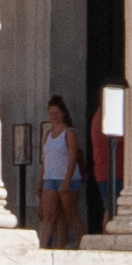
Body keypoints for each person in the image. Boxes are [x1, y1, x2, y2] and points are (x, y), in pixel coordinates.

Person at [36, 96, 83, 249]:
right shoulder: (47, 135)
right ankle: (43, 247)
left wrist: (67, 179)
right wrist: (42, 179)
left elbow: (73, 157)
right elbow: (45, 159)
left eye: (56, 113)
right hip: (50, 178)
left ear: (62, 113)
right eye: (51, 113)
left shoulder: (68, 133)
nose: (53, 116)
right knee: (48, 217)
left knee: (70, 215)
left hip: (66, 178)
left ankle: (85, 243)